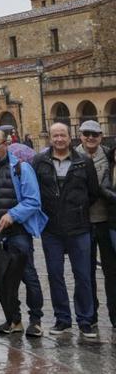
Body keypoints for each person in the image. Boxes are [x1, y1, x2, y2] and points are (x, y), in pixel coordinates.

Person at [32, 123, 116, 339]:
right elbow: (36, 190)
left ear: (70, 137)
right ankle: (62, 319)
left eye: (63, 135)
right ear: (50, 138)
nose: (59, 139)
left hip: (80, 227)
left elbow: (93, 192)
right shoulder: (40, 161)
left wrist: (77, 209)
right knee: (55, 275)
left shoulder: (83, 162)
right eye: (55, 135)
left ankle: (86, 320)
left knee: (84, 275)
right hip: (51, 229)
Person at [0, 128, 46, 337]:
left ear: (5, 144)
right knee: (2, 279)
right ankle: (13, 319)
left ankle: (35, 320)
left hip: (18, 233)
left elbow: (33, 201)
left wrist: (12, 215)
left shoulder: (21, 168)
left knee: (28, 276)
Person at [75, 120, 116, 328]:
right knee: (85, 272)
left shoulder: (108, 155)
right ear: (80, 135)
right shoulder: (73, 157)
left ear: (101, 136)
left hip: (105, 222)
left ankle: (114, 315)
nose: (91, 137)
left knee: (111, 272)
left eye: (95, 134)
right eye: (87, 134)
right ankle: (90, 316)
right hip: (82, 223)